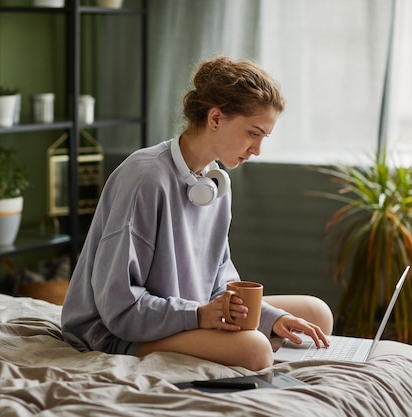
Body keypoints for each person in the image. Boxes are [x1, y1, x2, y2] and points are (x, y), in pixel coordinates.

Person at [61, 55, 333, 371]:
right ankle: (236, 346)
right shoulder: (144, 178)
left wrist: (273, 318)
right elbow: (119, 307)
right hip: (114, 328)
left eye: (263, 137)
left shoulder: (215, 182)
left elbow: (219, 279)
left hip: (192, 308)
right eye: (253, 133)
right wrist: (199, 316)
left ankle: (239, 340)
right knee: (255, 350)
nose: (257, 150)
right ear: (216, 118)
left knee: (316, 314)